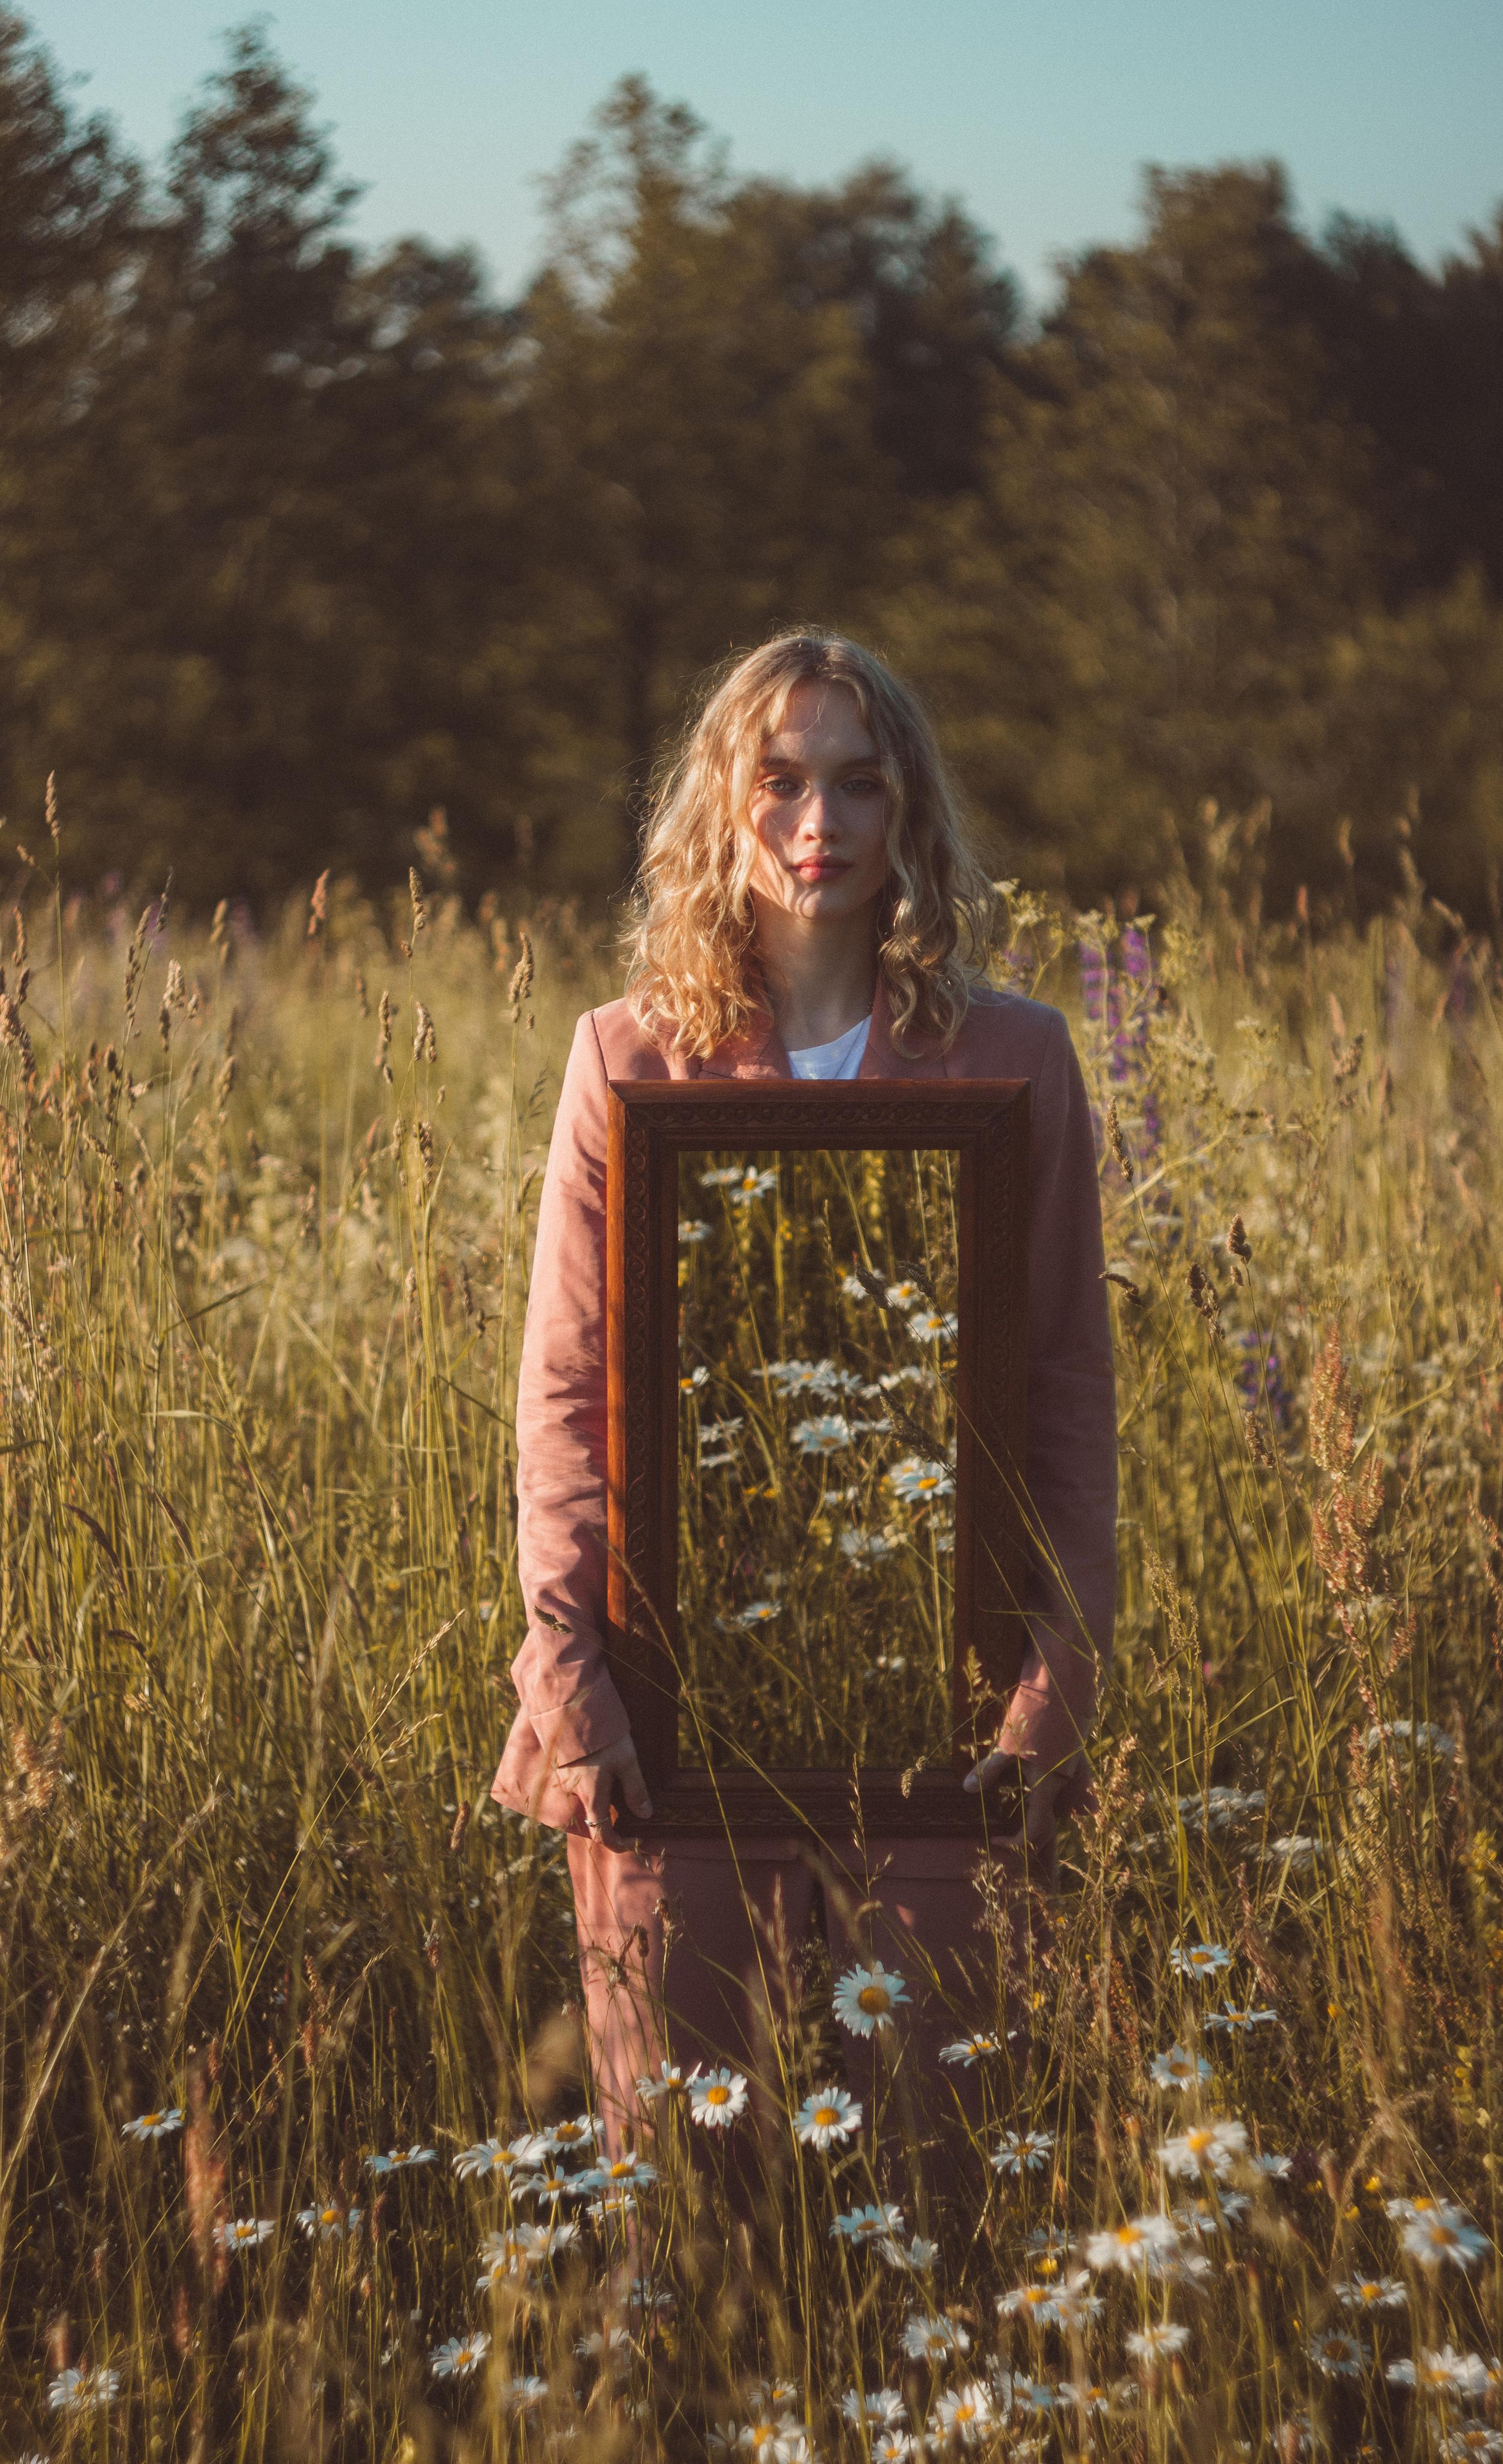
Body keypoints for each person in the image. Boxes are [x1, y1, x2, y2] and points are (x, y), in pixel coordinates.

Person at [490, 632, 1118, 2162]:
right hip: (671, 1717)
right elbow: (568, 1403)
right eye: (777, 783)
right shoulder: (628, 1059)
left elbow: (1062, 1406)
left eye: (856, 783)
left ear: (908, 813)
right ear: (722, 806)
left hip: (943, 1728)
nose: (816, 824)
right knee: (691, 2203)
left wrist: (1052, 1685)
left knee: (930, 2180)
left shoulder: (1013, 1058)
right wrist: (573, 1684)